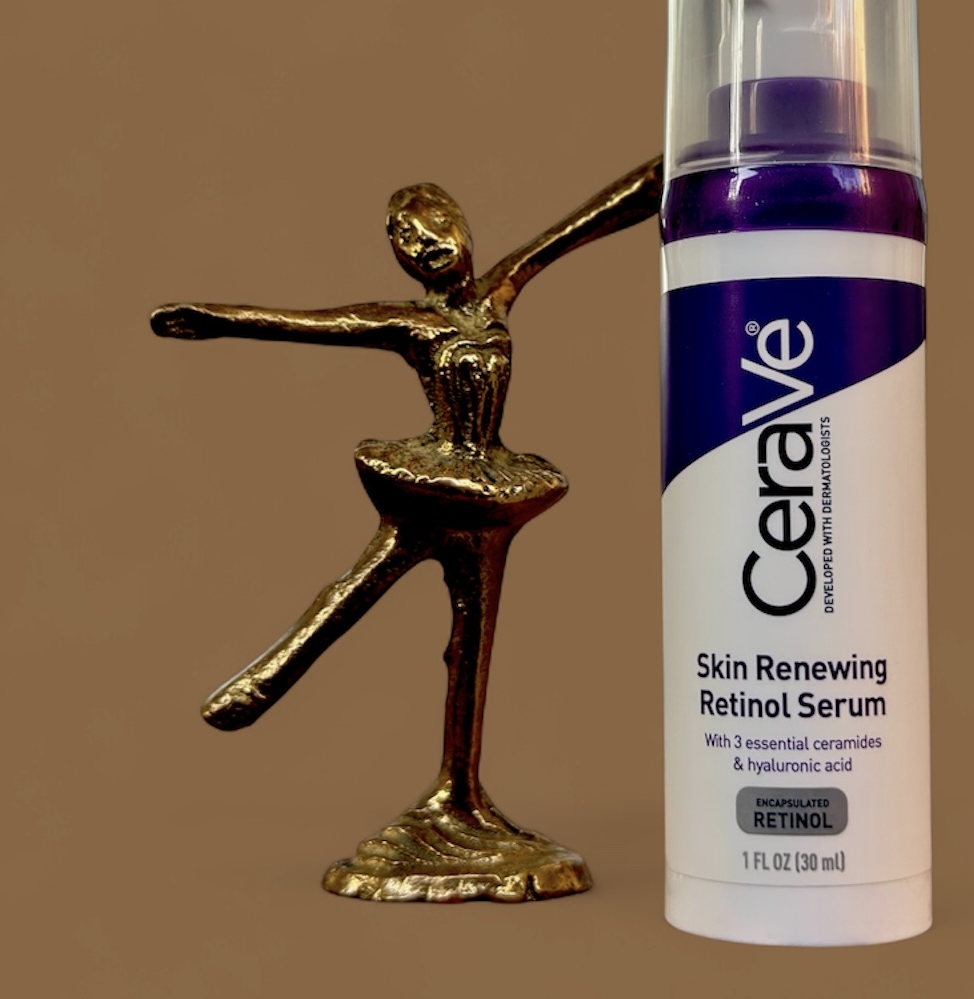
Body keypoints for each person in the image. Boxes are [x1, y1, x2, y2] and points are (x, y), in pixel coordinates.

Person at [151, 158, 662, 898]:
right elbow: (312, 323)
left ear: (464, 229)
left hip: (493, 490)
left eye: (435, 228)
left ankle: (461, 791)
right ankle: (271, 675)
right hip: (435, 480)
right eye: (408, 240)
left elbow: (582, 225)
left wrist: (669, 171)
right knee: (365, 582)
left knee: (473, 642)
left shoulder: (501, 290)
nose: (425, 245)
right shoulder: (410, 322)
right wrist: (216, 320)